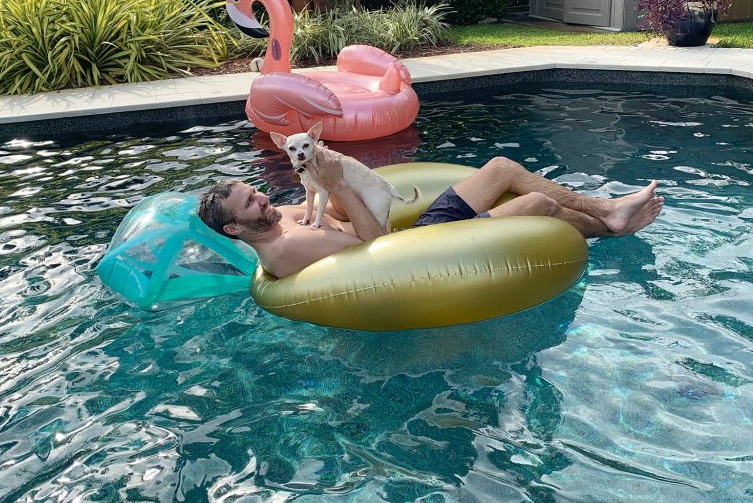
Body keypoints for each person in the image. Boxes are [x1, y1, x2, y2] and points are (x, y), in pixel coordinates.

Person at [198, 146, 664, 280]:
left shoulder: (281, 216)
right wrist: (339, 186)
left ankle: (606, 208)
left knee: (501, 168)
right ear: (235, 227)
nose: (264, 198)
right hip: (422, 252)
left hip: (418, 233)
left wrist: (331, 177)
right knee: (537, 206)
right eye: (251, 203)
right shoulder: (288, 244)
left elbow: (339, 212)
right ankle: (612, 231)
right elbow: (371, 246)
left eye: (255, 191)